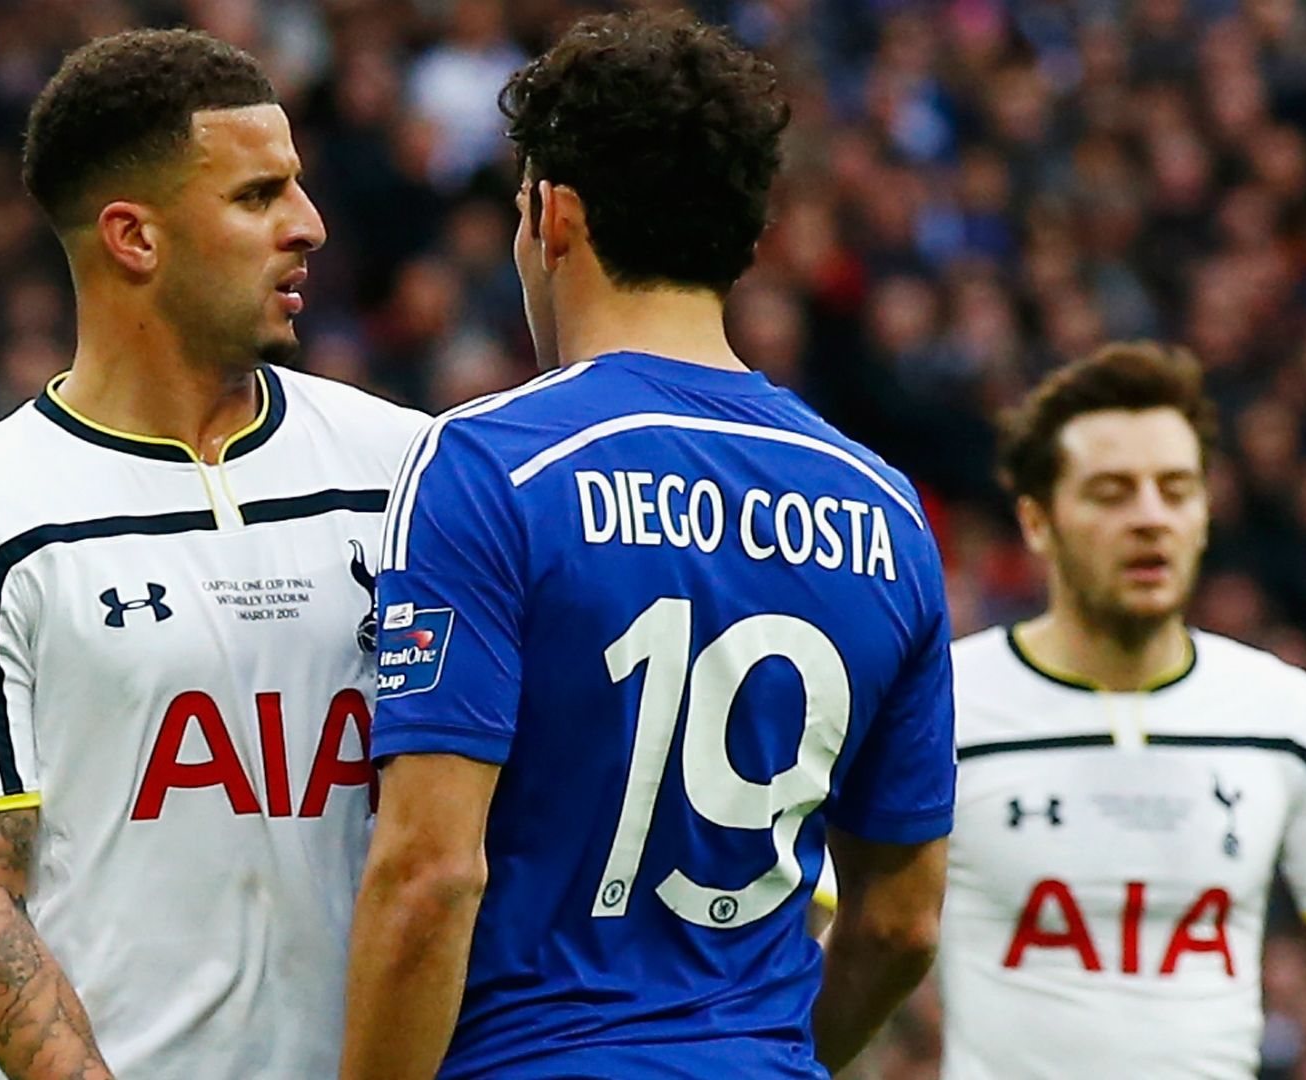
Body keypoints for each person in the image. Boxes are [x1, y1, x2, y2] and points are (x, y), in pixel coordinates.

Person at [340, 11, 954, 1078]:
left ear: (555, 215)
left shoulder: (492, 466)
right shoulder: (888, 511)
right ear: (745, 236)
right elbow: (901, 925)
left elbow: (432, 874)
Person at [0, 29, 426, 1080]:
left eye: (296, 188)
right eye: (259, 197)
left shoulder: (405, 471)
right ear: (135, 238)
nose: (309, 226)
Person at [938, 341, 1306, 1079]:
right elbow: (850, 938)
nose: (1150, 517)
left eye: (1176, 488)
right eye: (1111, 492)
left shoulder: (1283, 716)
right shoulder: (945, 707)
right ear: (1038, 521)